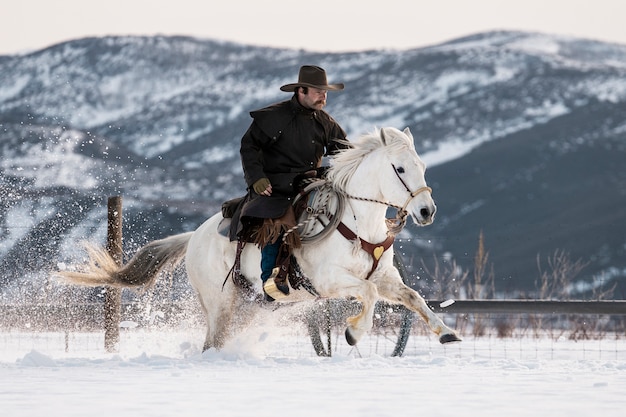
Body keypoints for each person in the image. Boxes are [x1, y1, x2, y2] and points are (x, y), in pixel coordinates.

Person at [238, 65, 348, 301]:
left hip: (311, 183)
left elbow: (344, 151)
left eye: (325, 92)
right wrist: (257, 178)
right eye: (318, 91)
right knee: (276, 223)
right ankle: (270, 281)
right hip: (274, 185)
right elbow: (249, 146)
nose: (323, 96)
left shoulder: (326, 122)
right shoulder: (273, 116)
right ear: (301, 90)